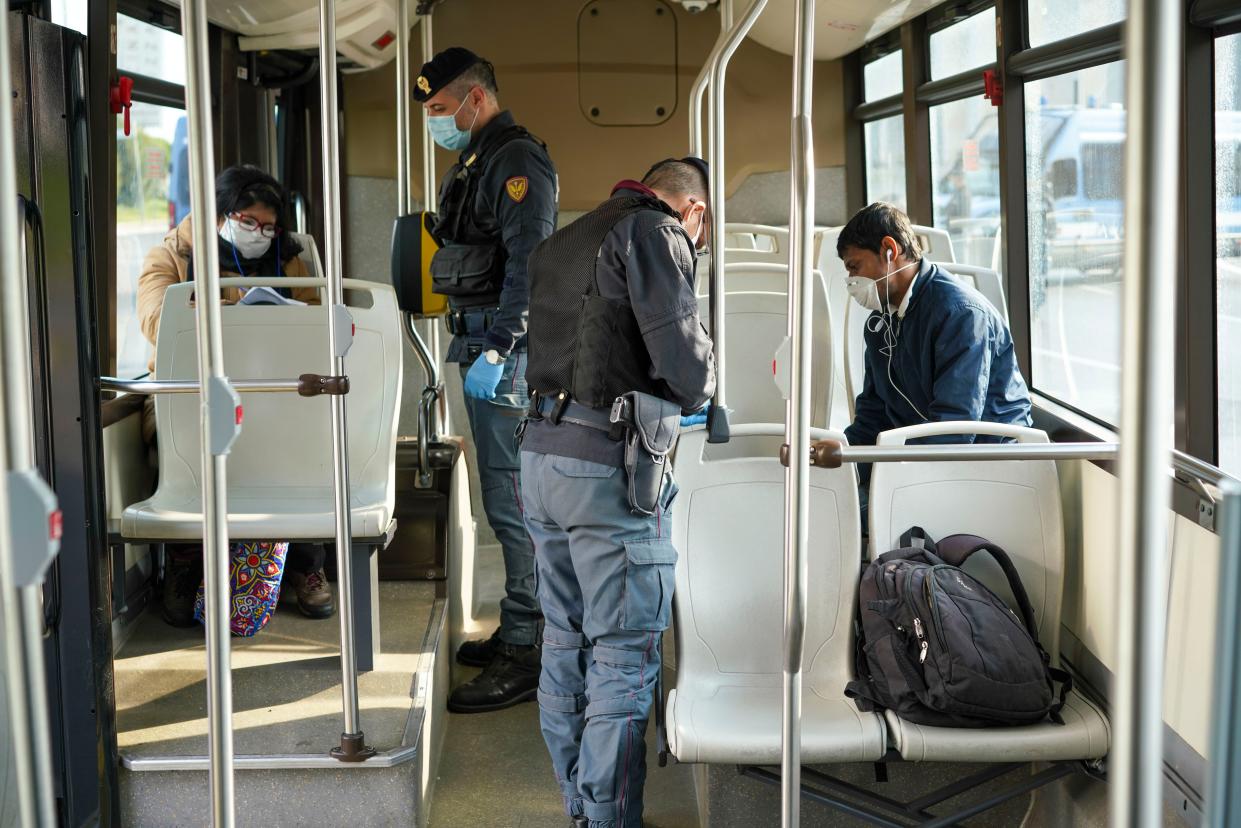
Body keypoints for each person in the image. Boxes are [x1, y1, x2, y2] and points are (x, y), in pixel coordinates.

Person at [518, 158, 715, 828]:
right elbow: (684, 368)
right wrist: (709, 385)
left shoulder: (562, 240)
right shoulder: (655, 234)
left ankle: (578, 806)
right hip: (607, 471)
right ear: (693, 210)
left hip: (541, 458)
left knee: (564, 639)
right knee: (622, 655)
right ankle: (609, 821)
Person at [414, 47, 558, 712]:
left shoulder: (517, 159)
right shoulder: (480, 157)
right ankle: (521, 625)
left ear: (476, 98)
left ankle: (528, 649)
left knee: (513, 503)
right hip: (479, 342)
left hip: (502, 350)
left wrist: (501, 346)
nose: (437, 123)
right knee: (504, 500)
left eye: (443, 110)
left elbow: (531, 260)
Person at [137, 164, 334, 627]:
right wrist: (237, 307)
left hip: (274, 387)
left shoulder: (290, 260)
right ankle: (187, 562)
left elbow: (314, 323)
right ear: (220, 215)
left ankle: (306, 562)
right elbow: (157, 322)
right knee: (186, 434)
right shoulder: (172, 256)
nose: (258, 234)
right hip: (190, 387)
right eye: (247, 222)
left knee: (307, 434)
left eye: (268, 226)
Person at [836, 202, 1032, 511]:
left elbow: (956, 426)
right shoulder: (881, 325)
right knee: (833, 504)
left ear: (889, 249)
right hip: (920, 457)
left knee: (858, 513)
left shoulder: (960, 314)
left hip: (982, 464)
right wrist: (841, 462)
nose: (851, 282)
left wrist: (892, 476)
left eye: (854, 266)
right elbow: (873, 414)